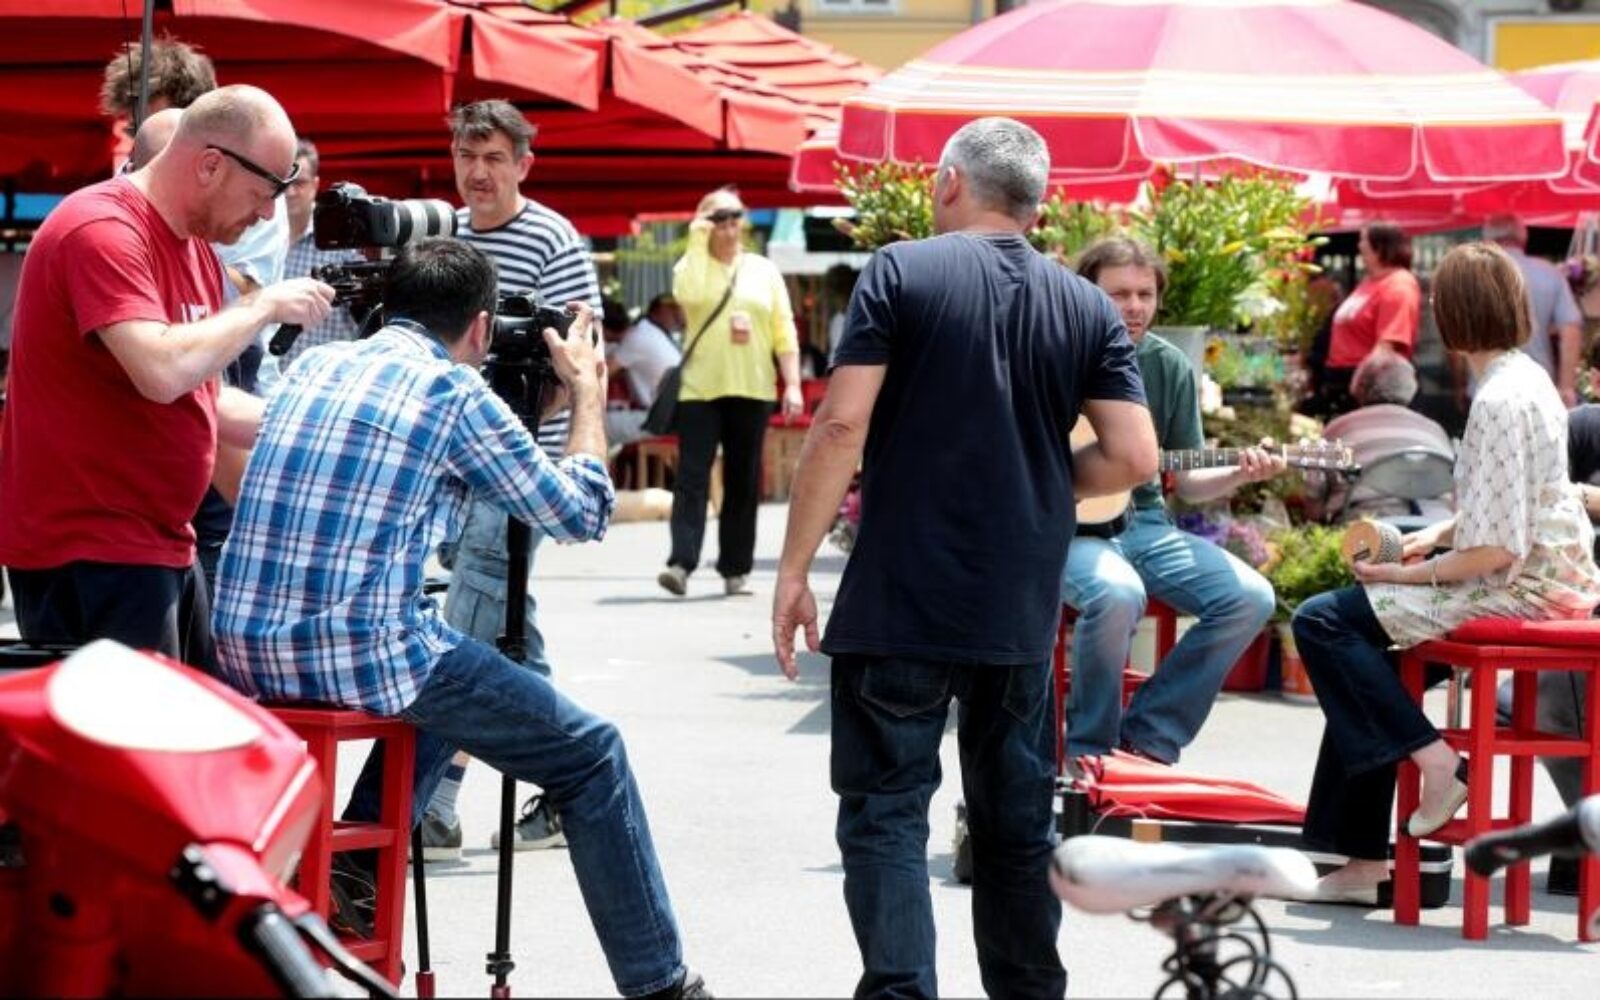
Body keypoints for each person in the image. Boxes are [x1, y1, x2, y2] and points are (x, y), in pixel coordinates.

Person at [212, 238, 709, 999]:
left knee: (459, 658)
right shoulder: (454, 394)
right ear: (480, 328)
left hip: (243, 648)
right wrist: (584, 393)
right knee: (592, 754)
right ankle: (662, 985)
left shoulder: (317, 364)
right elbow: (579, 513)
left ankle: (356, 871)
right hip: (357, 655)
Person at [771, 117, 1157, 999]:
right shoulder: (1086, 305)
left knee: (886, 816)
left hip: (899, 597)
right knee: (1016, 828)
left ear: (950, 181)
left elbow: (840, 425)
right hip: (1015, 605)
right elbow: (1135, 456)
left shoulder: (900, 271)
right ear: (1036, 205)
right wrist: (1046, 482)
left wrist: (794, 571)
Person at [1294, 242, 1600, 906]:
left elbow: (1493, 552)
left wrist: (1403, 576)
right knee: (1360, 670)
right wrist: (1430, 538)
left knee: (1321, 622)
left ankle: (1435, 766)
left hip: (1523, 589)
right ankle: (1360, 861)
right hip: (1553, 577)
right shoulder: (1528, 378)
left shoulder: (1497, 401)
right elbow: (1507, 507)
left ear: (1454, 311)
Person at [0, 86, 332, 668]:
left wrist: (321, 424)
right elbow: (161, 369)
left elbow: (205, 399)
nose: (264, 215)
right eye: (262, 194)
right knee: (133, 728)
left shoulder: (194, 249)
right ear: (210, 165)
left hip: (159, 544)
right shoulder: (100, 227)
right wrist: (260, 306)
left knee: (207, 715)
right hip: (94, 550)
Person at [423, 99, 604, 856]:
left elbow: (581, 356)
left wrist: (510, 432)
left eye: (494, 157)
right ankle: (571, 778)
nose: (478, 172)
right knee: (502, 623)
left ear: (523, 164)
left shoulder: (553, 240)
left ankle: (432, 798)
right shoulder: (444, 237)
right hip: (445, 466)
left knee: (474, 605)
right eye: (467, 156)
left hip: (521, 463)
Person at [1062, 237, 1283, 765]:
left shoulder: (1170, 366)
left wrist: (1240, 473)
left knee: (1251, 597)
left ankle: (1149, 737)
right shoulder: (1054, 354)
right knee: (1117, 594)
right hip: (1070, 530)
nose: (1135, 307)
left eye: (1145, 294)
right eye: (1119, 294)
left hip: (1146, 524)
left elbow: (1187, 482)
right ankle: (1089, 753)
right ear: (1085, 293)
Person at [657, 187, 805, 599]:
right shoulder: (692, 265)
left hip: (753, 386)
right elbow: (690, 296)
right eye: (718, 217)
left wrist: (793, 383)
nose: (728, 225)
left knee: (743, 480)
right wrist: (697, 238)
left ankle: (736, 568)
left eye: (735, 215)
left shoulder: (763, 270)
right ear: (703, 223)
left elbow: (784, 329)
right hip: (700, 389)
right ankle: (681, 563)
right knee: (692, 477)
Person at [1315, 353, 1453, 523]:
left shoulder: (1338, 430)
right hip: (1433, 526)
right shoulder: (1434, 431)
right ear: (1411, 388)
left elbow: (1314, 496)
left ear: (1359, 387)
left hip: (1364, 526)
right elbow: (1455, 490)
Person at [276, 138, 364, 368]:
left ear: (315, 185)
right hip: (267, 377)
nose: (290, 192)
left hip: (325, 376)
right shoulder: (256, 235)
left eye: (299, 183)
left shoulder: (342, 239)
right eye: (284, 183)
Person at [1319, 222, 1421, 418]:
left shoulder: (1398, 285)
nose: (1359, 246)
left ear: (1380, 246)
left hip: (1367, 386)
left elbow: (1388, 345)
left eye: (1363, 240)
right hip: (1341, 379)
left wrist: (1361, 386)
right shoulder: (1369, 282)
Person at [1481, 214, 1583, 406]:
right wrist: (1566, 388)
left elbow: (1456, 337)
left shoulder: (1473, 275)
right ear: (1523, 238)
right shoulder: (1550, 273)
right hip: (1538, 389)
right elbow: (1571, 331)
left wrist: (1459, 384)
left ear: (1487, 239)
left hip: (1486, 388)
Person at [610, 293, 683, 409]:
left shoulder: (648, 333)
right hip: (669, 412)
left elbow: (601, 374)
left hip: (662, 414)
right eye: (674, 310)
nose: (681, 315)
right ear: (662, 310)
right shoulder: (647, 334)